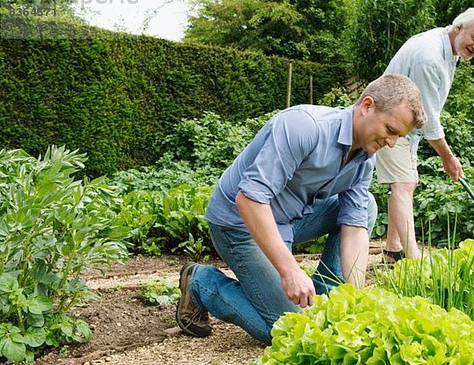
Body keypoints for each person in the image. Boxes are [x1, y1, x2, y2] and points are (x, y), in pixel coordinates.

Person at [176, 74, 426, 345]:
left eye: (398, 137)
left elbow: (354, 226)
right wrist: (290, 271)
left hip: (289, 218)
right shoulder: (305, 127)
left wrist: (355, 299)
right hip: (239, 224)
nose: (391, 143)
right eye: (390, 130)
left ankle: (325, 295)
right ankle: (201, 283)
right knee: (290, 330)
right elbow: (249, 199)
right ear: (367, 106)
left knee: (365, 206)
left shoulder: (364, 159)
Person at [375, 4, 474, 261]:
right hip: (388, 122)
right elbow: (429, 119)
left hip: (401, 124)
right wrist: (448, 157)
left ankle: (392, 248)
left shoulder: (447, 45)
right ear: (459, 27)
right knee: (404, 185)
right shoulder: (430, 57)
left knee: (402, 184)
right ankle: (413, 260)